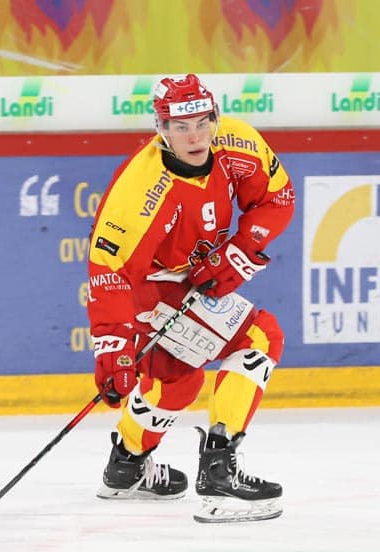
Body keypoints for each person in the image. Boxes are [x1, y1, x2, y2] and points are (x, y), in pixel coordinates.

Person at [85, 73, 295, 523]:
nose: (195, 136)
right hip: (147, 283)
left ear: (216, 118)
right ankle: (219, 472)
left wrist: (241, 249)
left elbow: (278, 199)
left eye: (202, 123)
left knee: (177, 380)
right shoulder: (139, 189)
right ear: (161, 129)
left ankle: (126, 466)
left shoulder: (238, 143)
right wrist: (113, 346)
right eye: (180, 127)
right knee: (260, 337)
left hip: (187, 276)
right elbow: (109, 271)